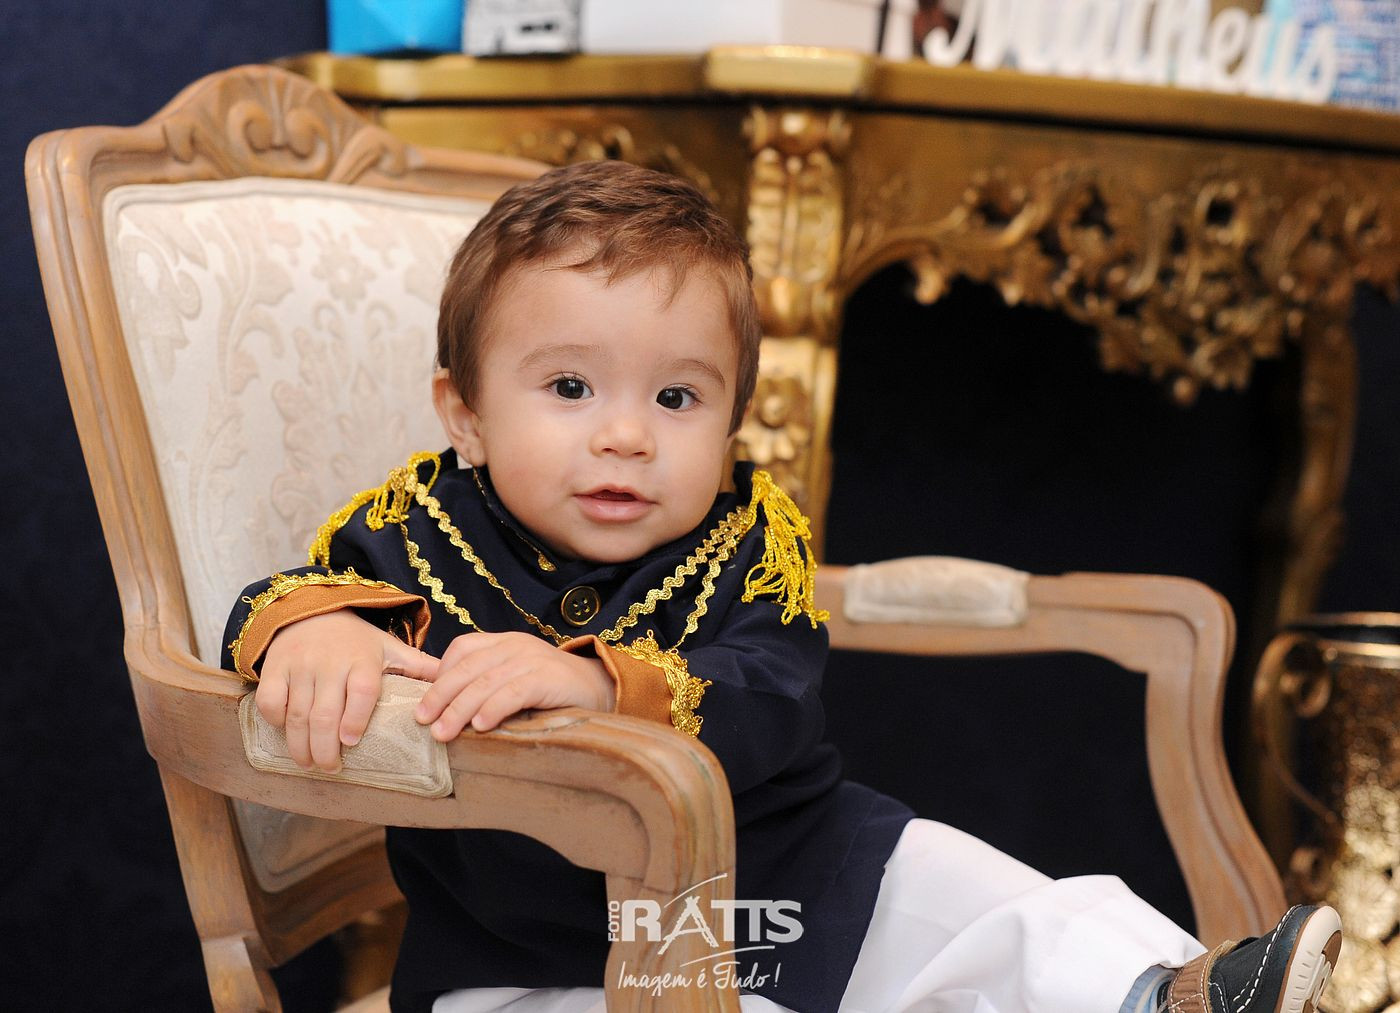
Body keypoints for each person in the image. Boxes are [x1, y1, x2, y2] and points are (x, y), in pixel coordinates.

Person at [221, 161, 1340, 1013]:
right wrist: (315, 635)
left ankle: (1157, 990)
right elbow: (292, 592)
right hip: (525, 948)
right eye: (569, 387)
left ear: (731, 422)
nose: (624, 435)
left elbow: (771, 695)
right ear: (464, 412)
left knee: (965, 881)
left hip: (784, 873)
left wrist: (605, 685)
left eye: (676, 398)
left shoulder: (751, 538)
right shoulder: (413, 530)